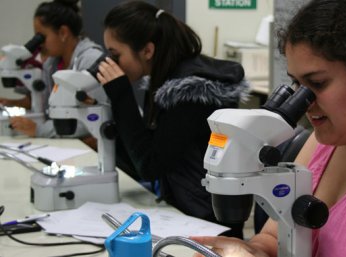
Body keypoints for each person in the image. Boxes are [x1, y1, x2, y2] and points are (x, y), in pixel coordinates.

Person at [191, 0, 346, 256]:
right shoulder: (327, 139)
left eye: (318, 83)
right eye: (296, 84)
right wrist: (248, 252)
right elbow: (271, 238)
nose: (305, 102)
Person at [96, 1, 250, 238]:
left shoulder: (189, 94)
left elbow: (149, 165)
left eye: (116, 55)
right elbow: (140, 159)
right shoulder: (166, 79)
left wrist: (122, 96)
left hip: (208, 224)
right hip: (185, 208)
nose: (112, 63)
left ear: (147, 50)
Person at [0, 0, 104, 138]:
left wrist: (39, 130)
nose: (39, 43)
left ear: (63, 32)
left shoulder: (90, 61)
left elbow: (92, 119)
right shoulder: (52, 63)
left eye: (41, 36)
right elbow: (48, 107)